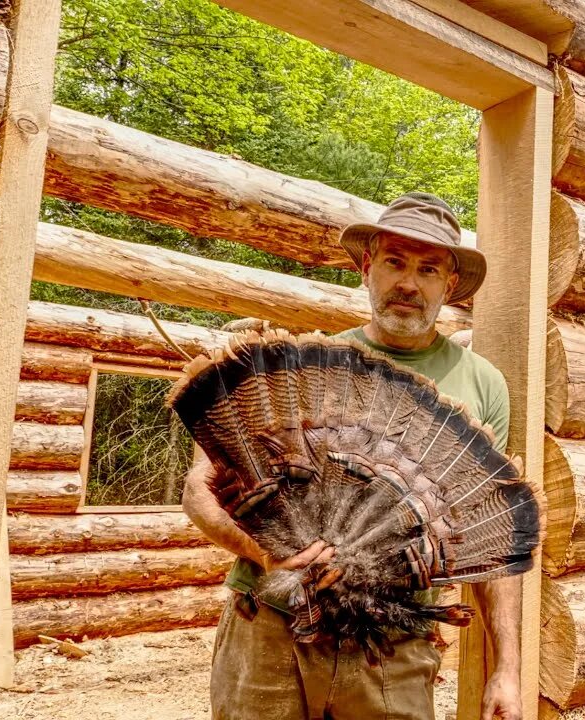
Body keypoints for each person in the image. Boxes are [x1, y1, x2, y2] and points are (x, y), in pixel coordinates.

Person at [182, 192, 522, 720]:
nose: (408, 283)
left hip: (393, 642)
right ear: (367, 268)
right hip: (270, 627)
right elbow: (198, 490)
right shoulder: (304, 365)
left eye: (428, 269)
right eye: (394, 262)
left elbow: (490, 534)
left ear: (448, 286)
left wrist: (508, 670)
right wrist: (267, 553)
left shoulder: (482, 385)